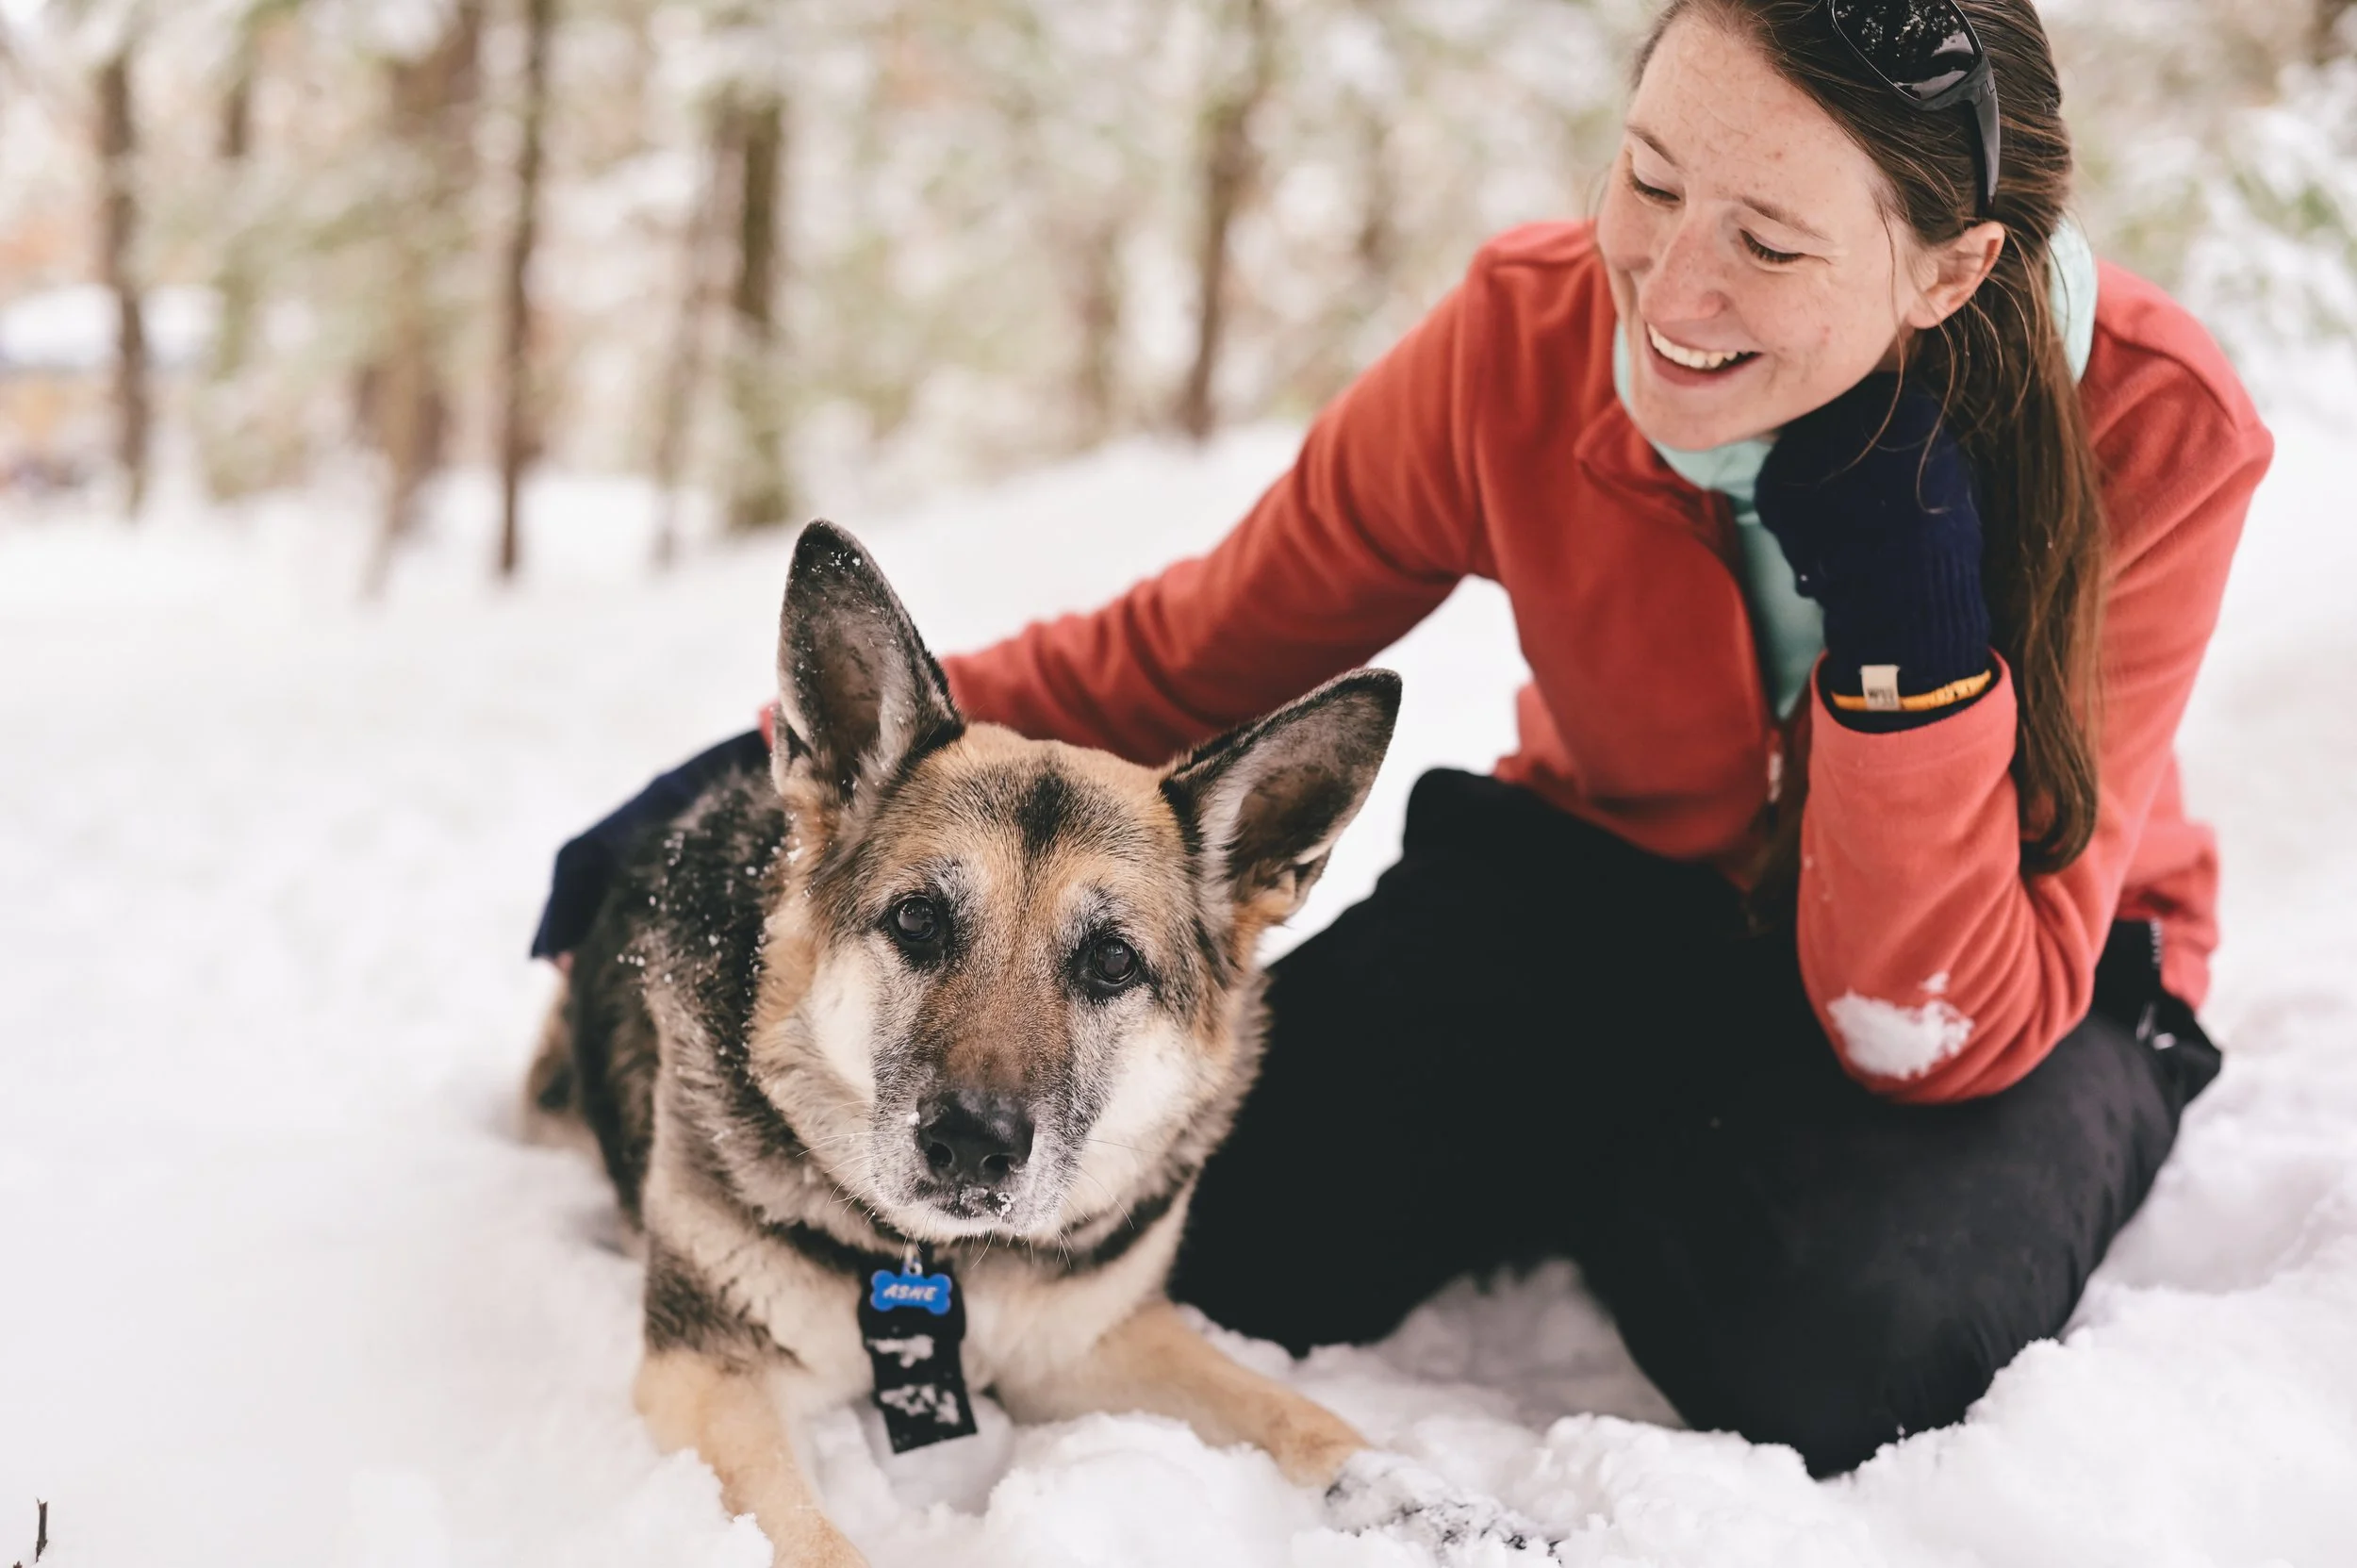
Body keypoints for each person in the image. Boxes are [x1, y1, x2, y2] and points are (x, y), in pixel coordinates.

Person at [533, 0, 2272, 1476]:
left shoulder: (2156, 427)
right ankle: (1657, 1146)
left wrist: (1908, 648)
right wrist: (776, 761)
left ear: (1953, 267)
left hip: (2011, 979)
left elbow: (1930, 1032)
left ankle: (1685, 1167)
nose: (1667, 283)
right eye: (1649, 181)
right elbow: (1193, 653)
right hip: (1624, 886)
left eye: (1769, 239)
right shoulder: (1525, 344)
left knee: (1853, 1347)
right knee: (1251, 1221)